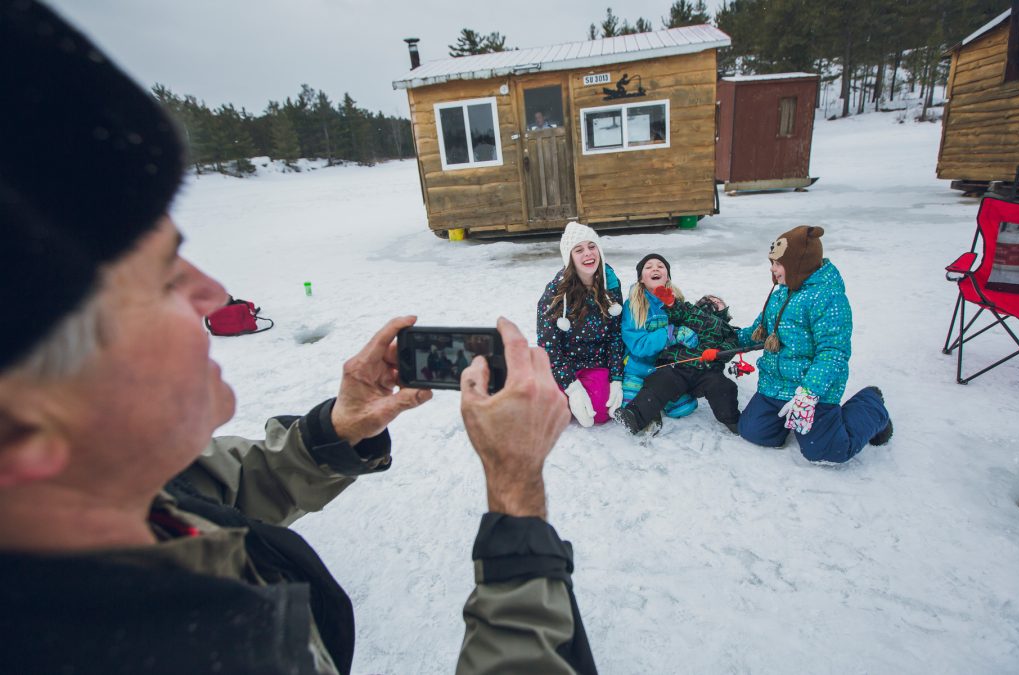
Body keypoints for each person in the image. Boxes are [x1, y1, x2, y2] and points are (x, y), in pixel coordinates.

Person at [0, 3, 597, 674]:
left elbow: (210, 488)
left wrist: (331, 434)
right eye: (167, 277)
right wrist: (516, 499)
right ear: (27, 429)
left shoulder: (103, 498)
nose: (213, 293)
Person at [736, 225, 893, 463]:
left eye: (778, 263)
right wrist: (724, 337)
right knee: (754, 432)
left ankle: (871, 403)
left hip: (812, 391)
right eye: (772, 262)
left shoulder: (829, 299)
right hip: (775, 384)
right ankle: (783, 421)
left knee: (826, 451)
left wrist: (809, 393)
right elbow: (759, 332)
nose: (772, 269)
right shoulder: (781, 293)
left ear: (798, 264)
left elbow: (833, 352)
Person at [615, 254, 742, 436]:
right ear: (641, 279)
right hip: (639, 366)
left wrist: (720, 351)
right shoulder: (634, 305)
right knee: (633, 401)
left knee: (683, 408)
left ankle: (658, 402)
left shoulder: (680, 304)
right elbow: (638, 345)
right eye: (649, 267)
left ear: (668, 276)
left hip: (672, 367)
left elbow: (727, 340)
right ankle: (640, 413)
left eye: (661, 266)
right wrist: (671, 333)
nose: (655, 268)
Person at [537, 222, 624, 427]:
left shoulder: (610, 285)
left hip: (595, 361)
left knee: (601, 412)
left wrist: (616, 378)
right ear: (569, 257)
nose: (588, 253)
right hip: (563, 362)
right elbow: (549, 346)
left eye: (592, 246)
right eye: (579, 250)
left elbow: (615, 336)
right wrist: (572, 389)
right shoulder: (554, 293)